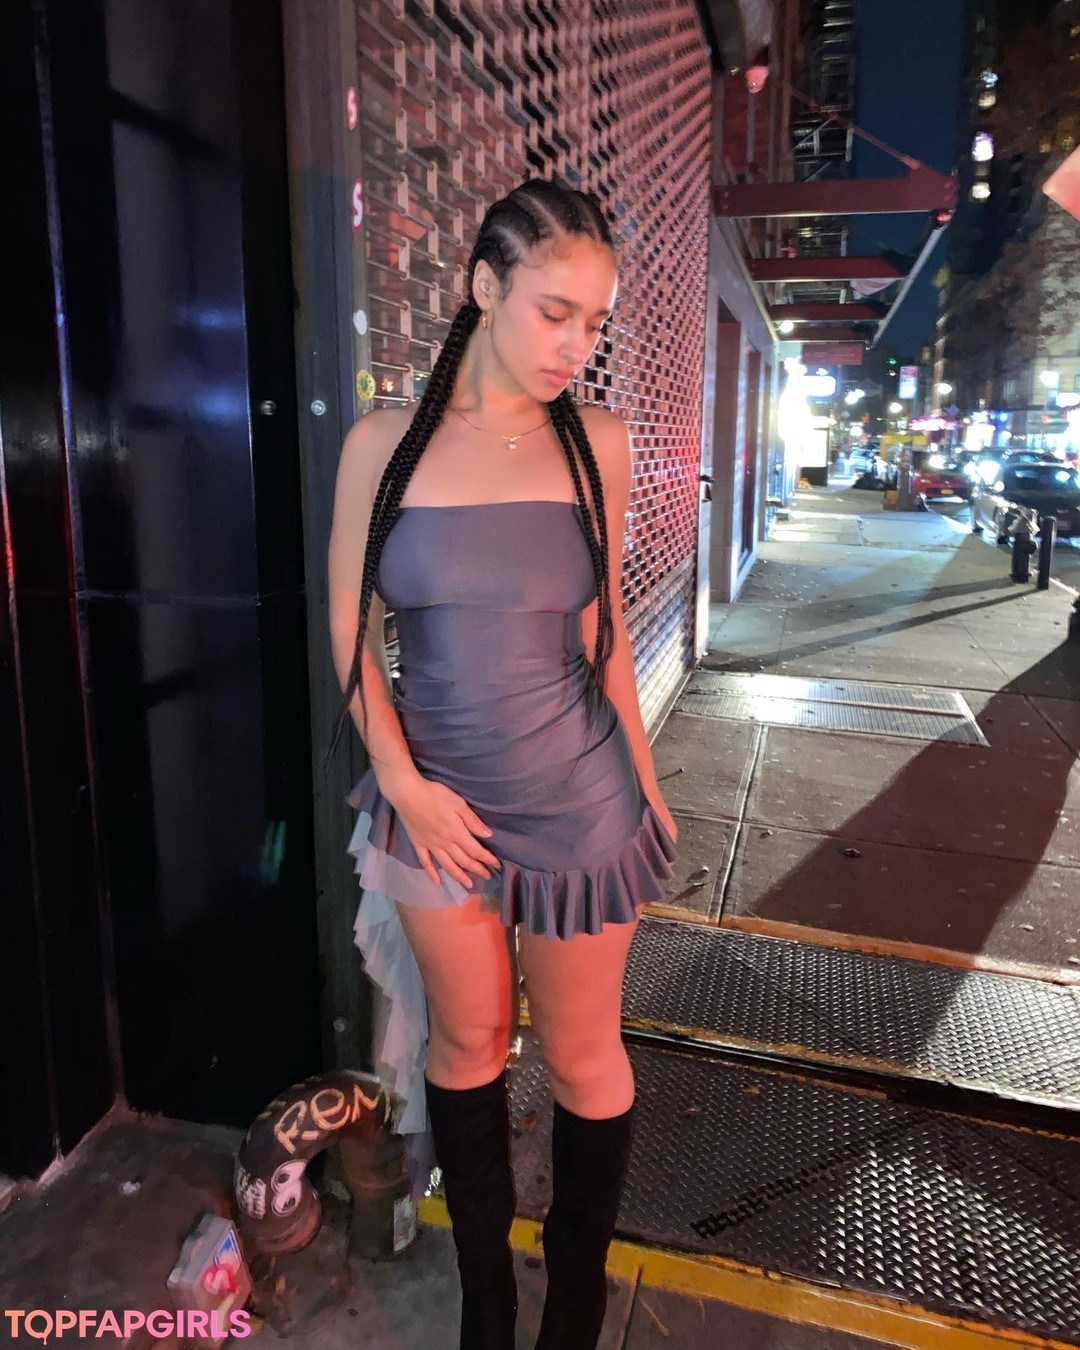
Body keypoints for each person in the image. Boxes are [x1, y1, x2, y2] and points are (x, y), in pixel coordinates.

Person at [326, 178, 679, 1350]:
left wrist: (646, 791)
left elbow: (605, 638)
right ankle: (488, 1306)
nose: (576, 346)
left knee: (581, 1055)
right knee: (466, 1047)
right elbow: (348, 635)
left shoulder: (597, 444)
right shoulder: (383, 445)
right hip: (434, 803)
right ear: (485, 286)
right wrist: (404, 783)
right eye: (554, 312)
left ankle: (573, 1310)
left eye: (595, 323)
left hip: (579, 799)